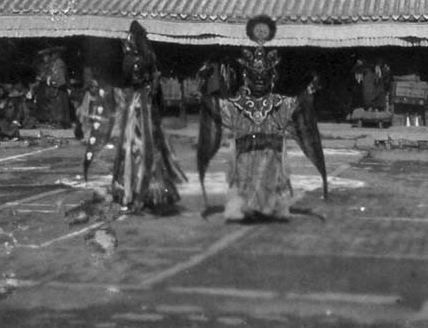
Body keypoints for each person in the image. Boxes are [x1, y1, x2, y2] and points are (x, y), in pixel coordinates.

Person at [197, 15, 327, 221]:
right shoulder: (236, 103)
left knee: (270, 182)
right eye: (254, 76)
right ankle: (247, 209)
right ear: (246, 76)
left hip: (271, 155)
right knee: (245, 183)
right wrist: (203, 90)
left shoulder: (280, 103)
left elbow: (297, 104)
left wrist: (309, 90)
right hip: (244, 156)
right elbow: (218, 108)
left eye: (263, 76)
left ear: (272, 77)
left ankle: (268, 209)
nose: (259, 80)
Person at [108, 22, 186, 214]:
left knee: (134, 148)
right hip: (146, 104)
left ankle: (134, 192)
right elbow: (152, 78)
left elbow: (128, 77)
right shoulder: (149, 55)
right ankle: (151, 191)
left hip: (137, 103)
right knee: (149, 147)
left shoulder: (131, 56)